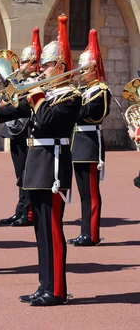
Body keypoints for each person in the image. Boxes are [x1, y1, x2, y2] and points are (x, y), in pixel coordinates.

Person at [0, 15, 81, 306]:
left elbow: (48, 120)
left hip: (52, 165)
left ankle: (57, 290)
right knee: (41, 231)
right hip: (36, 166)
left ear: (62, 68)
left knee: (52, 229)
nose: (42, 70)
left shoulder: (70, 96)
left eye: (48, 65)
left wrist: (37, 91)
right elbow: (13, 110)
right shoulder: (46, 94)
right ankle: (45, 284)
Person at [68, 29, 111, 247]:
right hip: (77, 145)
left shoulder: (100, 91)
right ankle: (85, 231)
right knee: (83, 193)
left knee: (91, 193)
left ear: (93, 69)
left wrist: (69, 106)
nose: (81, 73)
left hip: (90, 144)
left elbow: (93, 113)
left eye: (84, 69)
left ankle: (92, 233)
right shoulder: (81, 91)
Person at [0, 28, 42, 227]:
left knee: (27, 173)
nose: (21, 65)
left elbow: (26, 106)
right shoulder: (19, 81)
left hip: (28, 130)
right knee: (20, 175)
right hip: (15, 130)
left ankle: (29, 212)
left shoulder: (37, 81)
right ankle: (20, 209)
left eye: (25, 62)